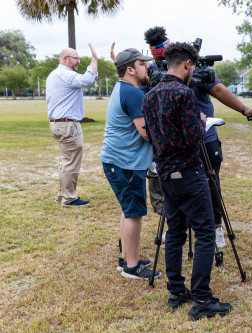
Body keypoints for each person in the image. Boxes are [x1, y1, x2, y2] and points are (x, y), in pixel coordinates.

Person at [144, 26, 252, 248]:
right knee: (172, 183)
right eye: (155, 58)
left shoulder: (194, 68)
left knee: (210, 182)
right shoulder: (154, 72)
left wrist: (244, 109)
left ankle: (215, 228)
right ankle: (175, 226)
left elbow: (218, 90)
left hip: (203, 138)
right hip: (172, 143)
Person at [142, 42, 232, 319]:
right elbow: (194, 138)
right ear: (186, 65)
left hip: (166, 175)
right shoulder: (184, 94)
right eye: (192, 67)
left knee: (176, 233)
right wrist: (202, 119)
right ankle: (202, 299)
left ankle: (176, 291)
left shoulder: (150, 95)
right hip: (190, 173)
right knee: (205, 233)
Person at [100, 48, 161, 280]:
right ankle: (132, 267)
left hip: (117, 161)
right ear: (130, 70)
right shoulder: (133, 93)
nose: (147, 68)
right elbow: (146, 133)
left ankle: (126, 258)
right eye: (142, 64)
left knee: (128, 210)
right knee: (134, 212)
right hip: (125, 163)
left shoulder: (122, 88)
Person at [46, 44, 98, 206]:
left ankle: (62, 194)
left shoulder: (54, 75)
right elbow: (87, 79)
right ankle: (69, 198)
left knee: (65, 161)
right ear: (65, 59)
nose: (78, 62)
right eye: (76, 58)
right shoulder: (65, 74)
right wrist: (94, 60)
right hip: (68, 125)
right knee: (71, 162)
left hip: (58, 125)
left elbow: (88, 79)